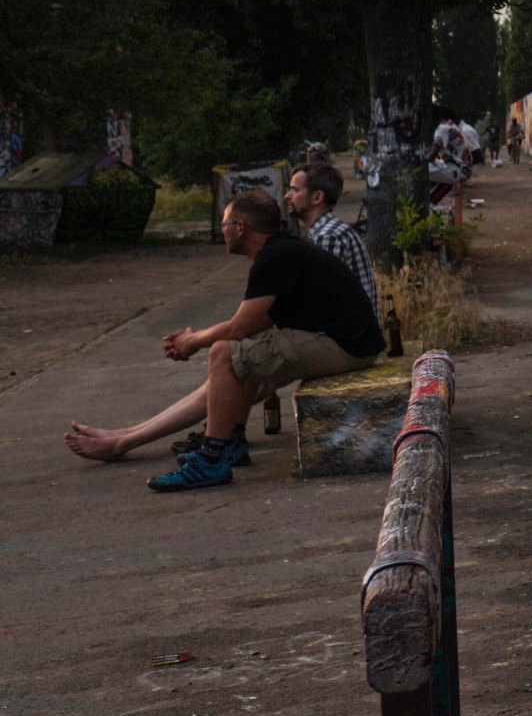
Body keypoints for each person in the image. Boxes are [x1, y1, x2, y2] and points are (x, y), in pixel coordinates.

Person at [63, 188, 383, 489]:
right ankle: (134, 440)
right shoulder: (281, 253)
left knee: (223, 353)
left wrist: (193, 339)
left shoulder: (275, 257)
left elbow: (238, 328)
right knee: (230, 366)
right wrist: (123, 437)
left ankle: (211, 458)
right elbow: (251, 329)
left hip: (344, 345)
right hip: (346, 343)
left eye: (225, 223)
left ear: (240, 227)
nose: (222, 229)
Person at [283, 161, 378, 321]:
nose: (287, 196)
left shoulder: (327, 236)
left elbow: (317, 301)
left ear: (317, 197)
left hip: (346, 340)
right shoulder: (326, 230)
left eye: (295, 190)